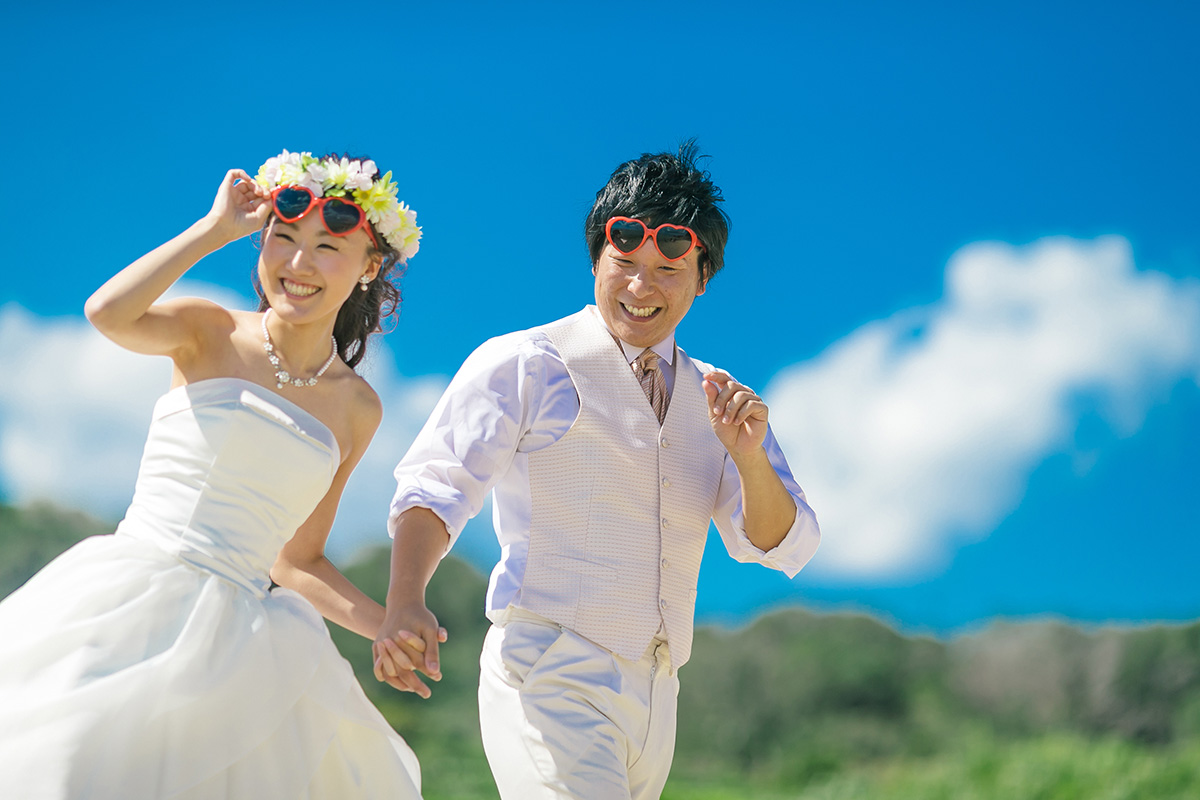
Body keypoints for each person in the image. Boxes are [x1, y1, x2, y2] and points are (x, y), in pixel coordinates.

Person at [374, 143, 821, 799]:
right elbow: (437, 486)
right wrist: (405, 598)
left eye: (669, 269)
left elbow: (784, 543)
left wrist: (748, 457)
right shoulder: (526, 361)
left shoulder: (720, 399)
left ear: (703, 278)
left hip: (659, 697)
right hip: (551, 670)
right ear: (596, 257)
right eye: (625, 263)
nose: (641, 287)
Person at [0, 150, 428, 798]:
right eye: (282, 239)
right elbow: (106, 313)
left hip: (244, 650)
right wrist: (213, 228)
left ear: (370, 268)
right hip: (128, 599)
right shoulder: (210, 330)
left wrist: (390, 622)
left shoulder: (358, 408)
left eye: (326, 247)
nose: (298, 263)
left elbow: (298, 561)